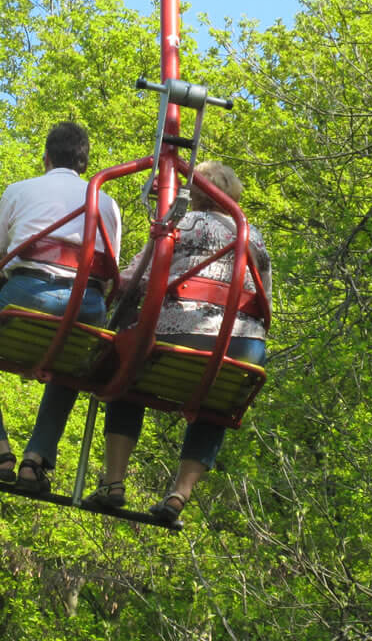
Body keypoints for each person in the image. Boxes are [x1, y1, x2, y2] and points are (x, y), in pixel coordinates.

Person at [87, 160, 270, 522]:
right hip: (244, 348)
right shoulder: (254, 235)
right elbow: (264, 299)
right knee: (217, 398)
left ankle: (114, 480)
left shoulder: (178, 224)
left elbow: (137, 280)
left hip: (184, 334)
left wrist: (104, 289)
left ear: (194, 191)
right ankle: (179, 494)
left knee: (125, 376)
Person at [0, 121, 122, 494]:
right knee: (72, 362)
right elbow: (108, 277)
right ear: (84, 161)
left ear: (45, 157)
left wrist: (3, 291)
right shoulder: (108, 204)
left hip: (29, 293)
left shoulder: (20, 190)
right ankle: (37, 460)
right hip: (88, 305)